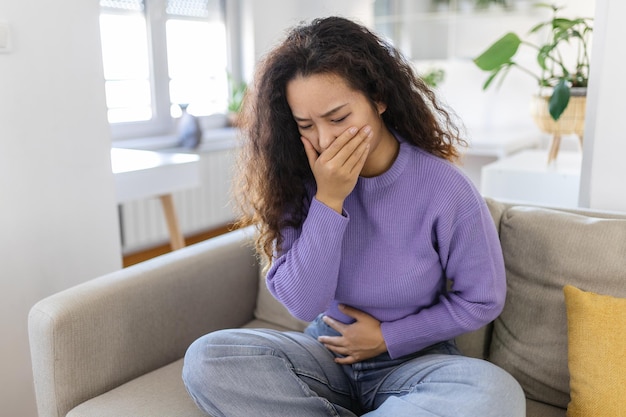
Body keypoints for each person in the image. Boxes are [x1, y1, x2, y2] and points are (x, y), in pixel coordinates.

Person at [183, 16, 525, 417]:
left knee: (495, 393)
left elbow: (482, 299)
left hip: (417, 361)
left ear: (378, 98)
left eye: (339, 118)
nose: (325, 141)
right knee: (208, 358)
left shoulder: (446, 188)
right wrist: (329, 199)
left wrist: (388, 337)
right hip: (326, 352)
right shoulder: (298, 185)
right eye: (306, 125)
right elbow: (304, 303)